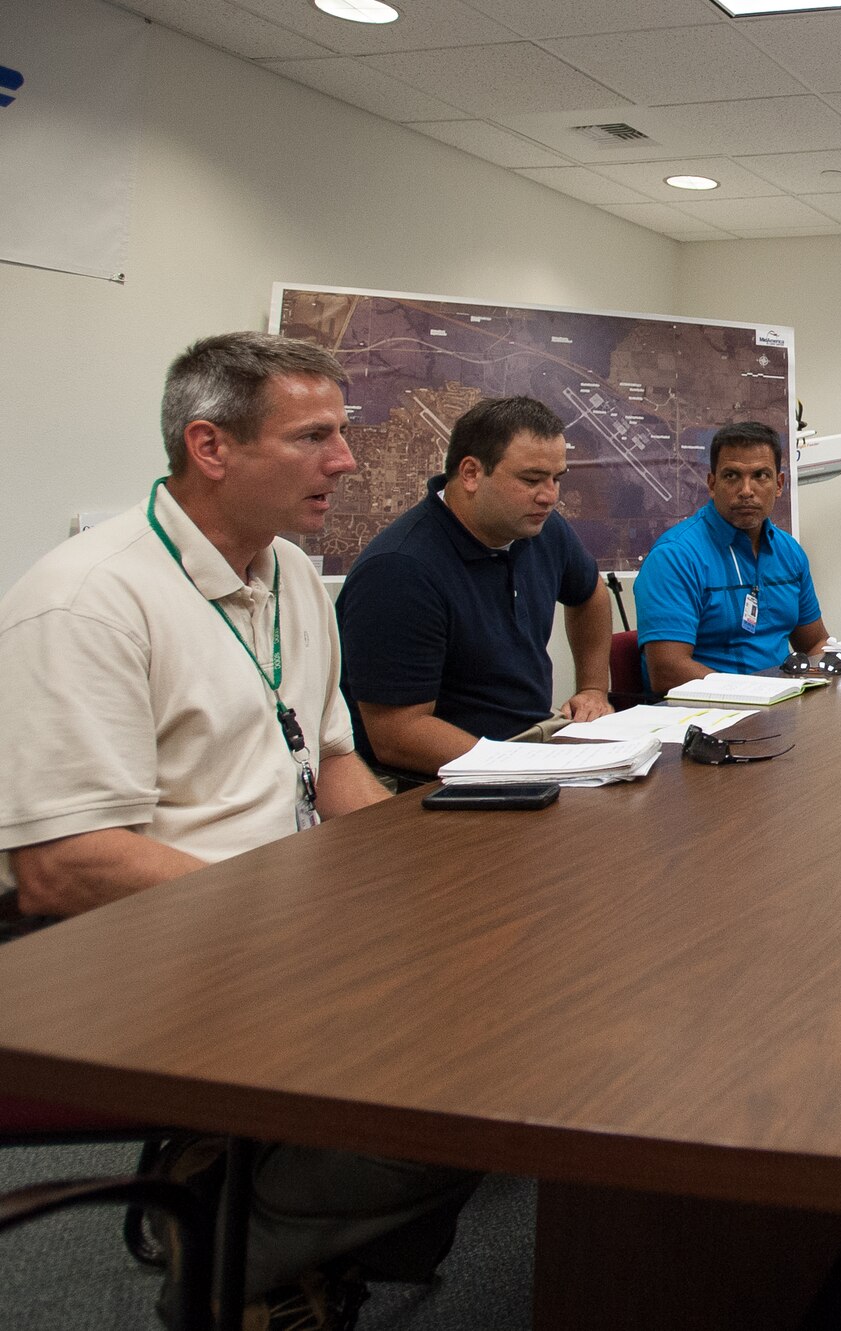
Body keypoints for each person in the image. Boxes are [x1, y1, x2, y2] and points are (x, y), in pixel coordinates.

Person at [0, 332, 474, 1329]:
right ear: (210, 447)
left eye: (341, 433)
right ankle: (236, 1254)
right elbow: (62, 867)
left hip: (275, 925)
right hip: (131, 948)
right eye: (315, 437)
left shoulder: (294, 575)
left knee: (505, 991)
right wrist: (312, 918)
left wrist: (411, 883)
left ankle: (260, 1219)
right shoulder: (87, 598)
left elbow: (335, 761)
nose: (346, 461)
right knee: (465, 1075)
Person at [337, 395, 613, 777]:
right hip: (438, 778)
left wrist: (594, 689)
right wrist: (528, 768)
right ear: (470, 474)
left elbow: (590, 595)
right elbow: (397, 735)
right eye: (531, 479)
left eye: (556, 479)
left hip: (527, 746)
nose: (549, 496)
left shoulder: (541, 528)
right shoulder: (399, 570)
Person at [632, 420, 831, 692]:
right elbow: (667, 671)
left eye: (760, 475)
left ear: (779, 484)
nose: (746, 490)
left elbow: (814, 643)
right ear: (712, 484)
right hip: (705, 716)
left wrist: (821, 679)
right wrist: (757, 695)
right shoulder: (675, 557)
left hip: (781, 709)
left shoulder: (790, 552)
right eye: (731, 476)